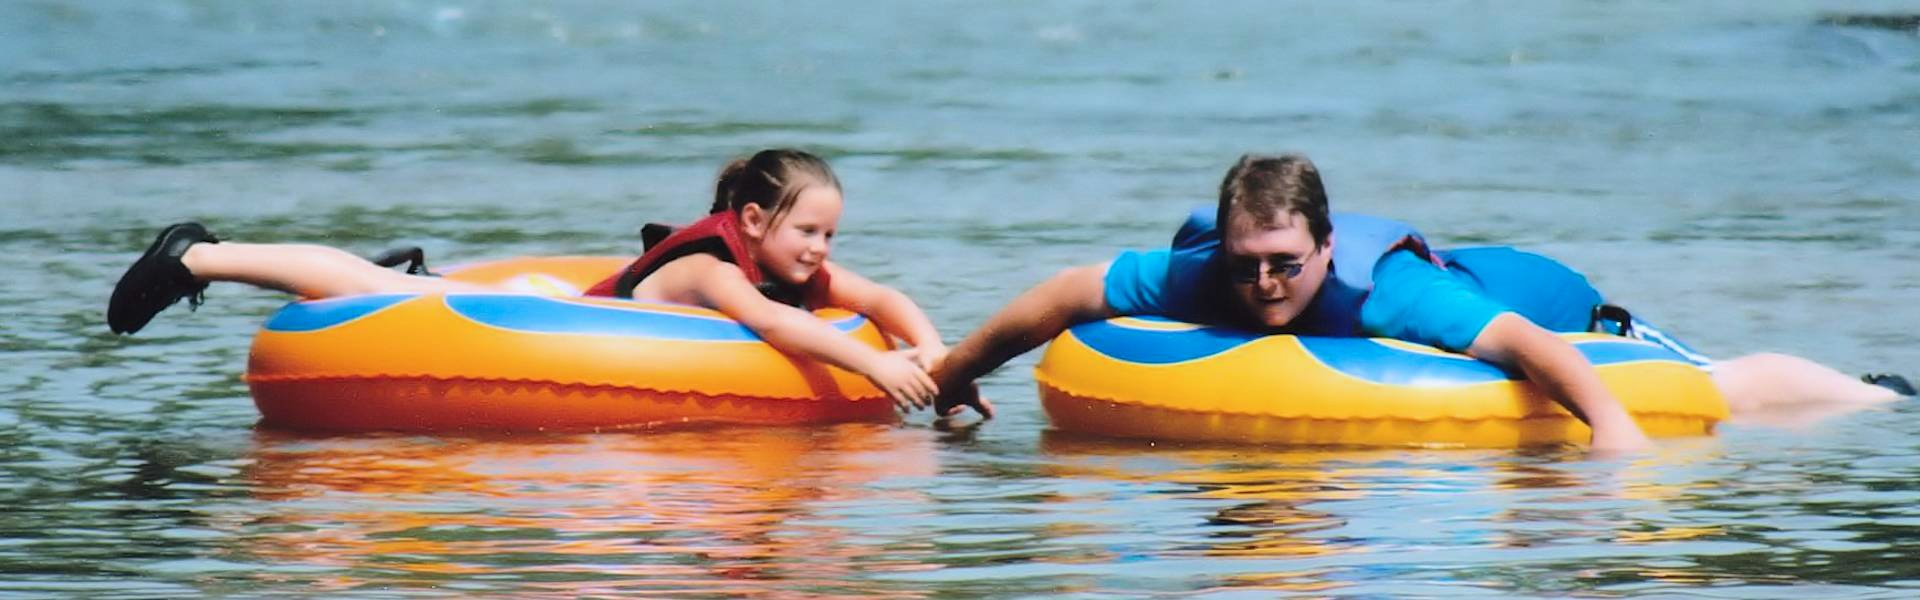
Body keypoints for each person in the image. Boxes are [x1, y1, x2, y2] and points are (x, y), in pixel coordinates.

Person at [930, 153, 1913, 450]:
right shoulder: (1203, 272)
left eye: (1283, 263)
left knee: (1716, 385)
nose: (1262, 286)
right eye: (1246, 266)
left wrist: (1616, 436)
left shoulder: (1386, 294)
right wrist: (951, 375)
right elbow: (1064, 294)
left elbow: (1532, 343)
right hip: (1481, 290)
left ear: (1320, 246)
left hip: (1543, 295)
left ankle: (1882, 395)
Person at [108, 148, 947, 411]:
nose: (820, 249)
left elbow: (883, 301)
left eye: (830, 233)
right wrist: (876, 365)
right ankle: (197, 256)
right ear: (755, 222)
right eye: (808, 230)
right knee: (368, 286)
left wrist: (935, 356)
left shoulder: (789, 263)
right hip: (543, 317)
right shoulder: (712, 268)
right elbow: (778, 330)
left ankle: (203, 257)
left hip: (579, 313)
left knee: (380, 283)